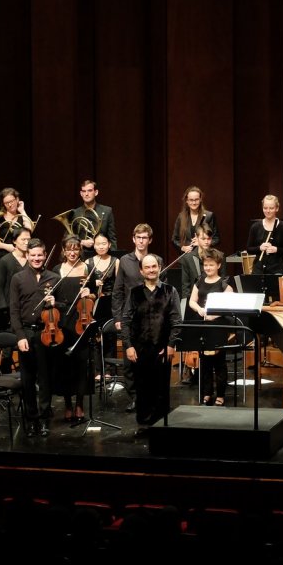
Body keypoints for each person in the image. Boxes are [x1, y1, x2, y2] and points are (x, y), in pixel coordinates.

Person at [121, 253, 182, 433]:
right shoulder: (134, 292)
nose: (151, 270)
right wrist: (128, 346)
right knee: (142, 387)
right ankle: (144, 424)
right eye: (147, 267)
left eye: (154, 266)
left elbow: (176, 320)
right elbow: (126, 321)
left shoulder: (170, 291)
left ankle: (161, 425)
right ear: (141, 270)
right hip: (139, 349)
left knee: (161, 387)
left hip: (162, 348)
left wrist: (171, 344)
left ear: (159, 267)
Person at [9, 238, 62, 437]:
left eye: (40, 255)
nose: (37, 258)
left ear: (45, 254)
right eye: (33, 255)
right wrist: (20, 336)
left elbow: (63, 307)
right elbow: (13, 311)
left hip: (46, 333)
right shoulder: (18, 278)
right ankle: (31, 419)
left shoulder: (54, 278)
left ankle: (45, 418)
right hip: (26, 334)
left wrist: (55, 303)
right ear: (27, 256)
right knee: (27, 379)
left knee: (45, 378)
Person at [112, 224, 155, 411]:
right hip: (130, 318)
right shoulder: (124, 261)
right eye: (138, 237)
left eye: (145, 237)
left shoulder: (156, 261)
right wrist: (118, 317)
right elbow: (118, 292)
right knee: (129, 362)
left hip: (151, 319)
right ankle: (135, 397)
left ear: (150, 240)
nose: (141, 241)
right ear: (133, 239)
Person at [52, 235, 93, 424]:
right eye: (69, 249)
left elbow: (96, 294)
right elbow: (51, 296)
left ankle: (79, 404)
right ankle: (67, 404)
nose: (72, 252)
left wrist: (90, 293)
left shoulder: (87, 268)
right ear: (63, 250)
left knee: (81, 364)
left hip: (82, 320)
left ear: (80, 250)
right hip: (63, 321)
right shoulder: (56, 270)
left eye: (75, 249)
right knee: (64, 364)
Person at [187, 248, 233, 406]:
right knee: (205, 361)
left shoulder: (224, 284)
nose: (207, 268)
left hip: (218, 326)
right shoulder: (199, 281)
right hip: (203, 325)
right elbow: (192, 301)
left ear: (218, 265)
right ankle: (207, 392)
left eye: (211, 265)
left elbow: (230, 306)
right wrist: (198, 309)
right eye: (205, 265)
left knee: (219, 362)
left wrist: (216, 314)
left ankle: (220, 394)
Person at [179, 225, 217, 385]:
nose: (207, 242)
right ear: (196, 238)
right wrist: (195, 305)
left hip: (214, 304)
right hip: (195, 305)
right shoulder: (188, 258)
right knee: (193, 334)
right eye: (203, 238)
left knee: (213, 339)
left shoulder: (218, 256)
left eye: (209, 238)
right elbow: (185, 286)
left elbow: (224, 281)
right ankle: (192, 370)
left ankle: (213, 372)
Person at [0, 227, 32, 374]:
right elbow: (0, 286)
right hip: (10, 308)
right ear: (14, 241)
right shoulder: (6, 260)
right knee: (8, 348)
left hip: (27, 307)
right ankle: (6, 374)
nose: (27, 242)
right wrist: (4, 309)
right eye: (23, 239)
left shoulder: (32, 258)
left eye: (29, 239)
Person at [246, 194, 283, 275]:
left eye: (271, 208)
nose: (268, 211)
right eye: (265, 208)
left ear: (277, 208)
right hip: (259, 269)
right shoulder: (255, 227)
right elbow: (249, 249)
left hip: (278, 269)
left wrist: (277, 249)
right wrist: (260, 248)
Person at [70, 179, 117, 260]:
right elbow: (68, 238)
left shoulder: (107, 211)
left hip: (103, 256)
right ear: (81, 193)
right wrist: (82, 242)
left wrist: (113, 259)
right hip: (81, 256)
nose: (86, 194)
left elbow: (112, 238)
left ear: (96, 192)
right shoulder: (74, 213)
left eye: (90, 191)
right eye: (84, 191)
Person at [0, 187, 36, 254]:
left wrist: (22, 211)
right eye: (6, 203)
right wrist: (6, 246)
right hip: (3, 255)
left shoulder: (22, 217)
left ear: (17, 199)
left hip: (20, 255)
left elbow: (30, 229)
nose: (10, 205)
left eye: (11, 201)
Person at [172, 186, 219, 254]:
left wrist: (202, 243)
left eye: (196, 199)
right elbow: (174, 239)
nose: (194, 203)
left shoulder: (209, 216)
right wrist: (182, 247)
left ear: (200, 200)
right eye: (191, 200)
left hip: (204, 255)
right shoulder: (181, 217)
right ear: (186, 201)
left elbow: (216, 239)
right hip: (187, 256)